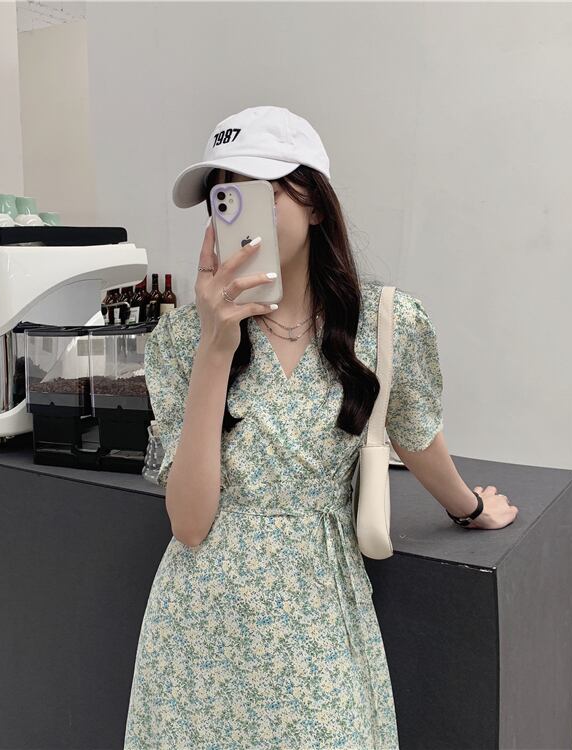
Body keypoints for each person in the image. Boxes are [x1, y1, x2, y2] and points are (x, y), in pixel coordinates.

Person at [124, 105, 518, 750]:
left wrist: (469, 505)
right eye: (223, 198)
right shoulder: (183, 338)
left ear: (312, 202)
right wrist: (216, 346)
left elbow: (415, 434)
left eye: (259, 194)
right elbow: (189, 524)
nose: (235, 215)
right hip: (198, 626)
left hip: (318, 611)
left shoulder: (386, 323)